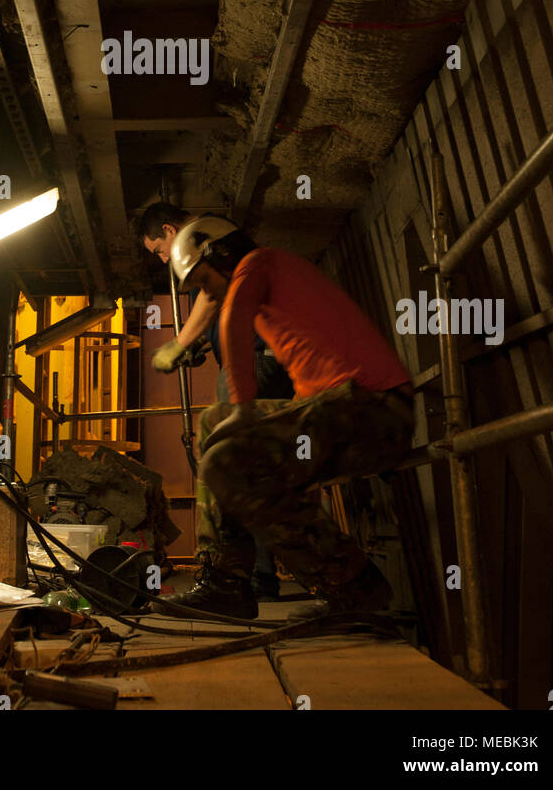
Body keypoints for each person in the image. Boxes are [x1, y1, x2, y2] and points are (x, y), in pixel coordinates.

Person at [164, 216, 415, 620]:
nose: (207, 293)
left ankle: (352, 584)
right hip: (345, 410)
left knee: (227, 456)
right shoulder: (274, 289)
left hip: (374, 407)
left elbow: (234, 318)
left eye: (205, 280)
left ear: (222, 254)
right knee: (213, 424)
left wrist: (244, 409)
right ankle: (225, 581)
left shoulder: (259, 263)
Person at [137, 203, 294, 601]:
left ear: (170, 230)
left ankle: (229, 578)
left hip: (256, 366)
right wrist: (201, 347)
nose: (162, 259)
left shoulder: (208, 240)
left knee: (225, 463)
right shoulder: (214, 244)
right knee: (254, 472)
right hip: (257, 363)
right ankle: (259, 578)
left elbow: (210, 297)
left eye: (158, 249)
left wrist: (178, 343)